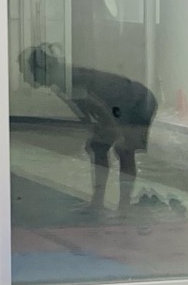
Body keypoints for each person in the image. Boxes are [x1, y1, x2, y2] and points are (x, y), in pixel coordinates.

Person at [21, 44, 159, 216]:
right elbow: (84, 110)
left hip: (138, 101)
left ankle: (123, 207)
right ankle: (98, 203)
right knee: (98, 146)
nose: (26, 77)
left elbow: (99, 107)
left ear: (45, 68)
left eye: (28, 70)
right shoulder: (62, 80)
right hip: (121, 104)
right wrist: (95, 132)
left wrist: (115, 133)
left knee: (123, 149)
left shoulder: (69, 80)